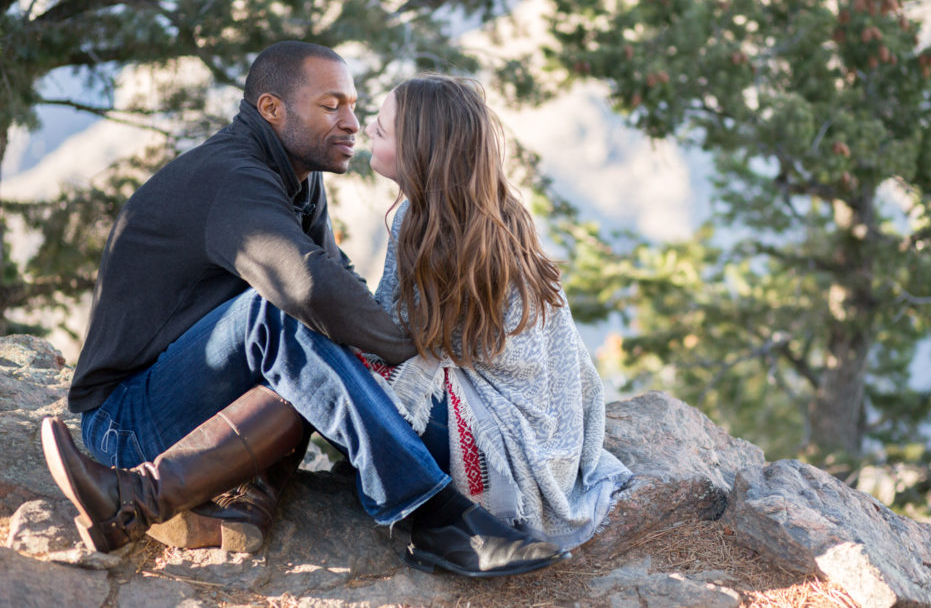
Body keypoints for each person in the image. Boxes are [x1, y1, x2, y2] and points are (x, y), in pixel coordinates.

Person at [40, 41, 567, 577]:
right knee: (277, 315)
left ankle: (236, 501)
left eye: (356, 106)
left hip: (207, 406)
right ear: (273, 109)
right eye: (331, 105)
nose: (353, 123)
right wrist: (408, 353)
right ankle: (439, 519)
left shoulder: (299, 176)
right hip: (126, 421)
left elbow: (337, 282)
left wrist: (390, 363)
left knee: (317, 350)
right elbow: (309, 290)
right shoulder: (233, 179)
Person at [361, 74, 632, 566]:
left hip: (504, 440)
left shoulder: (436, 232)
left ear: (419, 150)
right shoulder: (491, 212)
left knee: (346, 374)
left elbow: (401, 342)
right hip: (541, 431)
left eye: (381, 129)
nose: (366, 130)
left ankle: (433, 504)